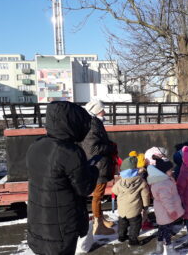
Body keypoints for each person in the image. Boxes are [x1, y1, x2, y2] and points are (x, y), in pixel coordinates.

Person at [26, 101, 99, 255]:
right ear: (71, 123)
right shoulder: (71, 152)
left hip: (38, 223)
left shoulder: (36, 145)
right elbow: (84, 188)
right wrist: (93, 170)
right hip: (61, 229)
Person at [81, 99, 116, 235]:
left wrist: (108, 144)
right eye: (102, 109)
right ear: (96, 111)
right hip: (98, 166)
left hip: (99, 165)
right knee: (97, 196)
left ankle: (100, 219)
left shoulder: (94, 123)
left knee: (99, 195)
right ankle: (98, 224)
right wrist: (110, 147)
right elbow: (93, 149)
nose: (105, 112)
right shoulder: (93, 125)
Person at [147, 156, 184, 254]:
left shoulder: (161, 180)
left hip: (162, 211)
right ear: (163, 172)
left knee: (162, 229)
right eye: (170, 170)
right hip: (166, 211)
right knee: (167, 231)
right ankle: (169, 249)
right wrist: (172, 211)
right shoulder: (163, 183)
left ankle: (159, 247)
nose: (172, 172)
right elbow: (166, 200)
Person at [112, 156, 150, 245]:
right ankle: (133, 240)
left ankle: (121, 236)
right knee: (135, 225)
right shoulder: (141, 181)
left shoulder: (120, 182)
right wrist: (146, 205)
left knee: (122, 223)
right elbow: (145, 195)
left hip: (122, 209)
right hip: (134, 210)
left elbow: (114, 190)